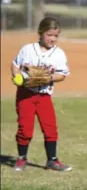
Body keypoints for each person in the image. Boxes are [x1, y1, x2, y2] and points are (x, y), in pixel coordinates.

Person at [11, 17, 71, 172]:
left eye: (56, 36)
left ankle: (52, 160)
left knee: (50, 128)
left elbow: (63, 75)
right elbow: (15, 64)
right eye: (49, 34)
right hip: (26, 95)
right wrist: (17, 77)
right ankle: (21, 158)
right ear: (41, 33)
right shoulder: (28, 49)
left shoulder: (59, 54)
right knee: (25, 128)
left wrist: (49, 77)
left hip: (44, 96)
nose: (52, 38)